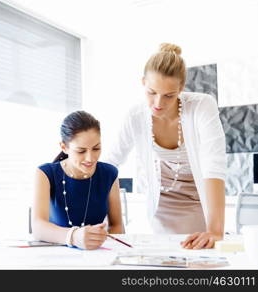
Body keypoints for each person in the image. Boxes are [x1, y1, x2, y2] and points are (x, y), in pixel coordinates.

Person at [106, 43, 226, 249]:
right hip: (162, 205)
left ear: (181, 88)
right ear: (143, 83)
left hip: (200, 200)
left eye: (169, 95)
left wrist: (215, 231)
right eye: (151, 92)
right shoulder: (135, 116)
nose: (158, 103)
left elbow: (213, 164)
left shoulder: (202, 106)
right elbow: (109, 165)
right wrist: (110, 222)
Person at [32, 111, 124, 250]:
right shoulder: (46, 173)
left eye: (96, 148)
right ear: (64, 147)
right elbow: (38, 227)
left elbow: (117, 226)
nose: (90, 158)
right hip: (55, 255)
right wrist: (74, 237)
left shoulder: (109, 173)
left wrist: (104, 245)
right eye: (81, 151)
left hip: (96, 254)